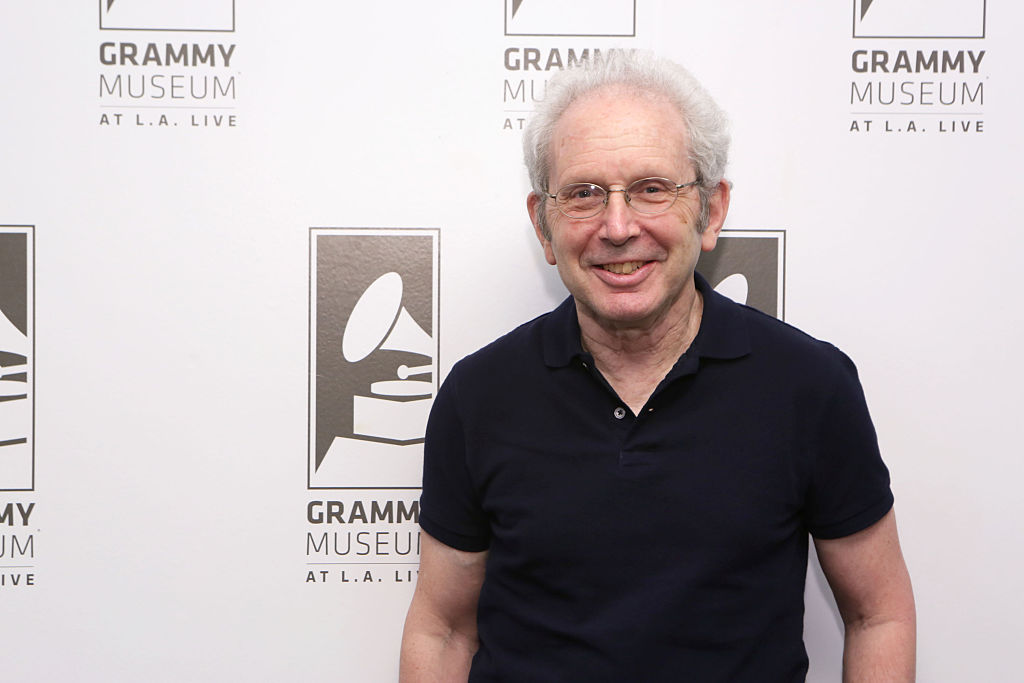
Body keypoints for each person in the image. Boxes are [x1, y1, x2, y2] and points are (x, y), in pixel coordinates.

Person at [400, 51, 915, 682]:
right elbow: (443, 629)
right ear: (543, 224)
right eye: (584, 194)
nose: (618, 227)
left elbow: (879, 615)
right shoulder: (478, 397)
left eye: (651, 189)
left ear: (711, 210)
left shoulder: (810, 387)